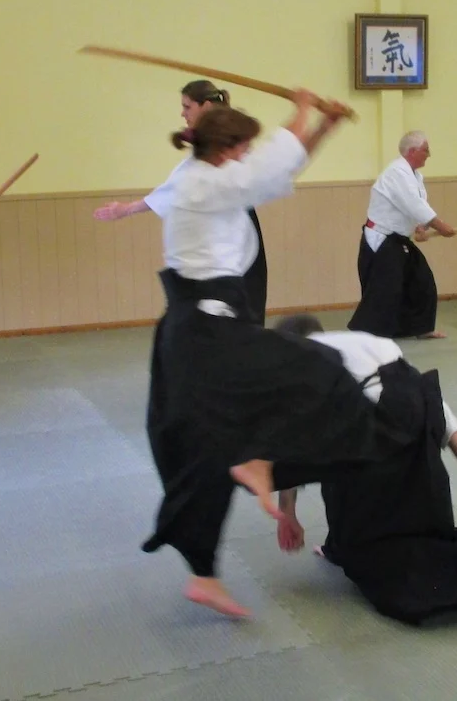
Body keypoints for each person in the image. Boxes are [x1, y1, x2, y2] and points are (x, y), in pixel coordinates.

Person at [141, 91, 386, 619]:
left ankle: (207, 572)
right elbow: (272, 161)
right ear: (229, 149)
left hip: (198, 329)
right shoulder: (202, 181)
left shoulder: (215, 178)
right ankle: (256, 460)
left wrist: (325, 127)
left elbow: (275, 171)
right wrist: (302, 109)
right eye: (245, 147)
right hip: (207, 331)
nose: (251, 155)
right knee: (321, 371)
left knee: (204, 453)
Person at [273, 314, 457, 625]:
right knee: (424, 516)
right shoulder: (367, 342)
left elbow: (292, 445)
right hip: (418, 417)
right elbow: (432, 399)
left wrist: (287, 514)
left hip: (378, 425)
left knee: (366, 530)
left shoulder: (298, 357)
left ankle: (435, 588)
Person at [93, 80, 269, 324]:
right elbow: (176, 189)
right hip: (221, 225)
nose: (183, 113)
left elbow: (178, 188)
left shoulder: (221, 141)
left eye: (187, 107)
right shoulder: (208, 146)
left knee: (238, 297)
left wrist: (129, 209)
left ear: (205, 106)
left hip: (232, 225)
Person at [346, 131, 455, 339]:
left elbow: (416, 206)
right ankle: (365, 333)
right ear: (412, 151)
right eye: (426, 150)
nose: (428, 155)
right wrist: (440, 226)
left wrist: (422, 227)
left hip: (399, 239)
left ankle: (419, 328)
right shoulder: (396, 172)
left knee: (422, 280)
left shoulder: (414, 175)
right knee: (385, 288)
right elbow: (412, 204)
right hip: (382, 238)